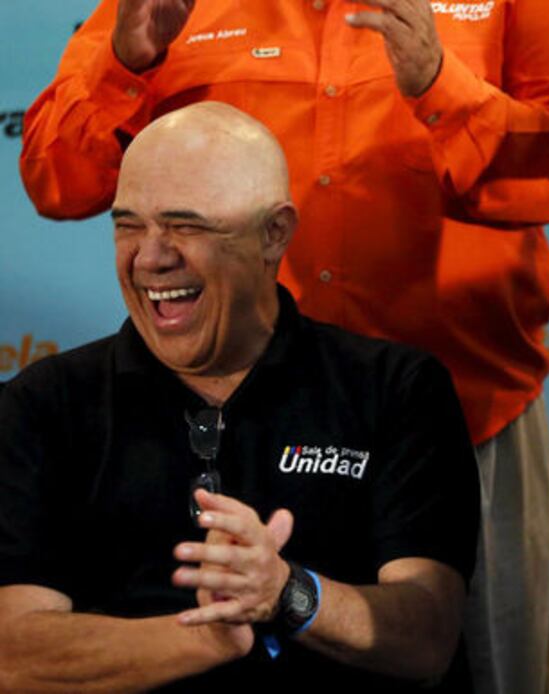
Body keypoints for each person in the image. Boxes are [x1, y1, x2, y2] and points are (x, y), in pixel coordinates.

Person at [20, 2, 549, 691]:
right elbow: (56, 179)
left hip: (467, 416)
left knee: (460, 661)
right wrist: (125, 65)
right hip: (214, 425)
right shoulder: (154, 10)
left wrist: (441, 88)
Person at [0, 102, 480, 692]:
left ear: (274, 233)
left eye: (186, 226)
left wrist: (287, 592)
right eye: (128, 226)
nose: (150, 257)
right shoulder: (41, 404)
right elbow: (12, 652)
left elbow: (428, 637)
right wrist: (203, 640)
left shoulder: (396, 388)